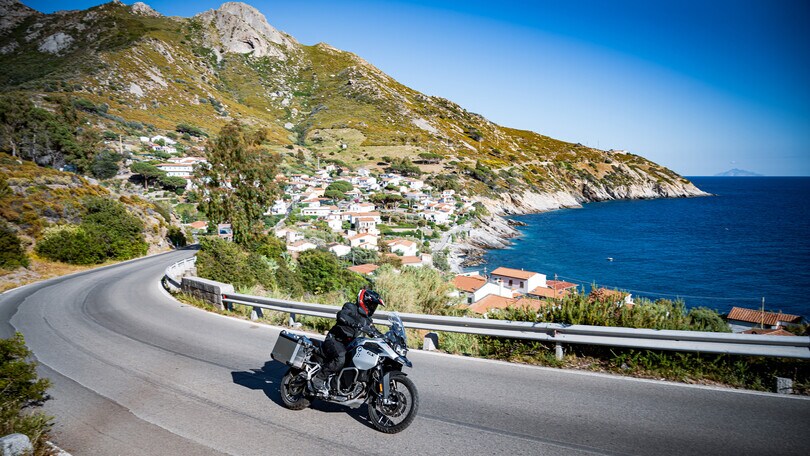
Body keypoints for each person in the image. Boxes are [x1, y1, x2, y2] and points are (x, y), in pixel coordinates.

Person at [312, 288, 385, 395]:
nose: (373, 308)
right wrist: (355, 324)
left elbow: (373, 330)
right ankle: (319, 378)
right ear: (364, 301)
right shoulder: (350, 307)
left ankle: (344, 385)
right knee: (341, 358)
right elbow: (342, 316)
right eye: (372, 304)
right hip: (335, 340)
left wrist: (384, 338)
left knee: (359, 359)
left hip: (349, 344)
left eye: (375, 306)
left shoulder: (367, 320)